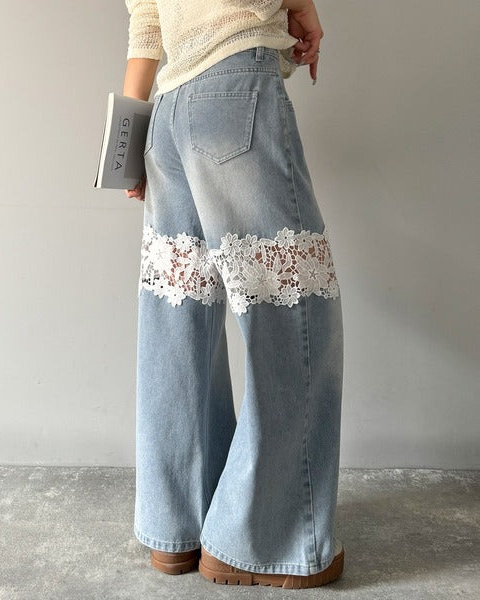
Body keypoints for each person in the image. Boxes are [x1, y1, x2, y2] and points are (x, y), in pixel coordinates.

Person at [122, 0, 344, 589]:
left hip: (166, 115)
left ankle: (179, 526)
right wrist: (303, 7)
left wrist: (129, 140)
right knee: (294, 313)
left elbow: (146, 22)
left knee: (179, 314)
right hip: (235, 90)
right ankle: (263, 538)